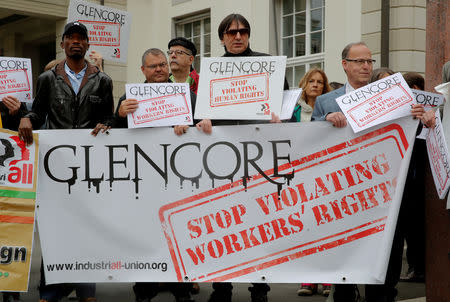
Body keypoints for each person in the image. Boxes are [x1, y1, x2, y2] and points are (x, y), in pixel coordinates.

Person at [312, 42, 427, 302]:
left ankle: (384, 294)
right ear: (345, 65)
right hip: (345, 195)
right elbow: (310, 136)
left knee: (387, 256)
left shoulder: (393, 96)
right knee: (346, 259)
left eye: (369, 61)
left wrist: (419, 119)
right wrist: (325, 120)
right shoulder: (326, 101)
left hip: (387, 193)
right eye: (359, 61)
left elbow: (413, 134)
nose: (366, 66)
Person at [18, 21, 114, 302]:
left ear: (87, 44)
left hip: (88, 168)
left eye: (80, 38)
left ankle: (87, 290)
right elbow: (37, 114)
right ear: (62, 44)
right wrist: (25, 116)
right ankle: (49, 290)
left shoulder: (103, 80)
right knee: (54, 229)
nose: (75, 42)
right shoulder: (47, 78)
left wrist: (106, 125)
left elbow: (108, 117)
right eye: (70, 38)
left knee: (87, 228)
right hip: (56, 167)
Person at [201, 13, 287, 302]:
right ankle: (221, 287)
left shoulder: (268, 64)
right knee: (220, 224)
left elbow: (286, 108)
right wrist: (203, 122)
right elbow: (201, 113)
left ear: (249, 35)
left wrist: (281, 117)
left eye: (243, 32)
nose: (238, 37)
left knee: (260, 226)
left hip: (259, 158)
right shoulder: (211, 70)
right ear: (222, 37)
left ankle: (259, 287)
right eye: (231, 32)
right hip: (222, 160)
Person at [114, 47, 210, 302]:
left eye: (162, 65)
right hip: (143, 181)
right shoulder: (128, 98)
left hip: (178, 180)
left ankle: (182, 291)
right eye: (153, 66)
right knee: (145, 237)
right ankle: (143, 291)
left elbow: (204, 126)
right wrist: (120, 113)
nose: (159, 69)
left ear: (168, 67)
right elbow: (114, 133)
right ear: (143, 70)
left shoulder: (187, 96)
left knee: (178, 237)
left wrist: (192, 126)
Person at [290, 68, 332, 297]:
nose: (315, 85)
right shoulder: (292, 110)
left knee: (324, 224)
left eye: (320, 82)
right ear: (304, 84)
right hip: (299, 174)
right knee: (304, 225)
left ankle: (327, 278)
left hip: (325, 172)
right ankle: (307, 278)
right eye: (311, 81)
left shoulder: (332, 107)